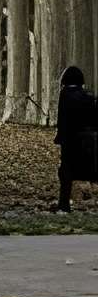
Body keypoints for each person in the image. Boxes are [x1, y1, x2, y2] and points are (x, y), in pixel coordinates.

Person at [59, 67, 97, 214]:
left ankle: (63, 205)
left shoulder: (64, 96)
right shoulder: (88, 97)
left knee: (66, 173)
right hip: (88, 142)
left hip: (69, 141)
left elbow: (62, 121)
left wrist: (60, 138)